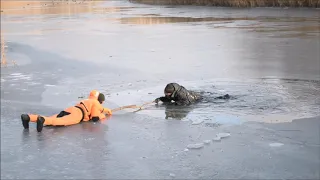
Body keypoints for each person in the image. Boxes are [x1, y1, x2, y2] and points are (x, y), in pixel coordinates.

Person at [20, 90, 112, 132]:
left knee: (53, 117)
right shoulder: (96, 103)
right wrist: (103, 115)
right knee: (60, 121)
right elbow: (95, 118)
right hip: (78, 114)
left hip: (72, 108)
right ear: (100, 100)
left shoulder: (87, 100)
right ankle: (42, 120)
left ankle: (28, 117)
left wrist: (104, 110)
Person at [154, 82, 230, 106]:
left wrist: (175, 104)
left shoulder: (181, 93)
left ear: (172, 92)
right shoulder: (170, 92)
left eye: (168, 93)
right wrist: (160, 99)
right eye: (166, 93)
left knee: (211, 100)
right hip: (191, 94)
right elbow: (168, 99)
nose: (166, 94)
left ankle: (224, 97)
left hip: (195, 98)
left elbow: (187, 102)